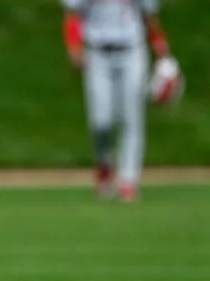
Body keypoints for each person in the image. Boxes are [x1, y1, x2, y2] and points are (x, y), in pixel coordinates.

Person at [62, 0, 175, 202]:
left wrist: (163, 54)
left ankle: (128, 180)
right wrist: (73, 45)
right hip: (97, 53)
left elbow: (150, 18)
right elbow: (72, 13)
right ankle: (104, 166)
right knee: (100, 121)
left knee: (131, 117)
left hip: (132, 51)